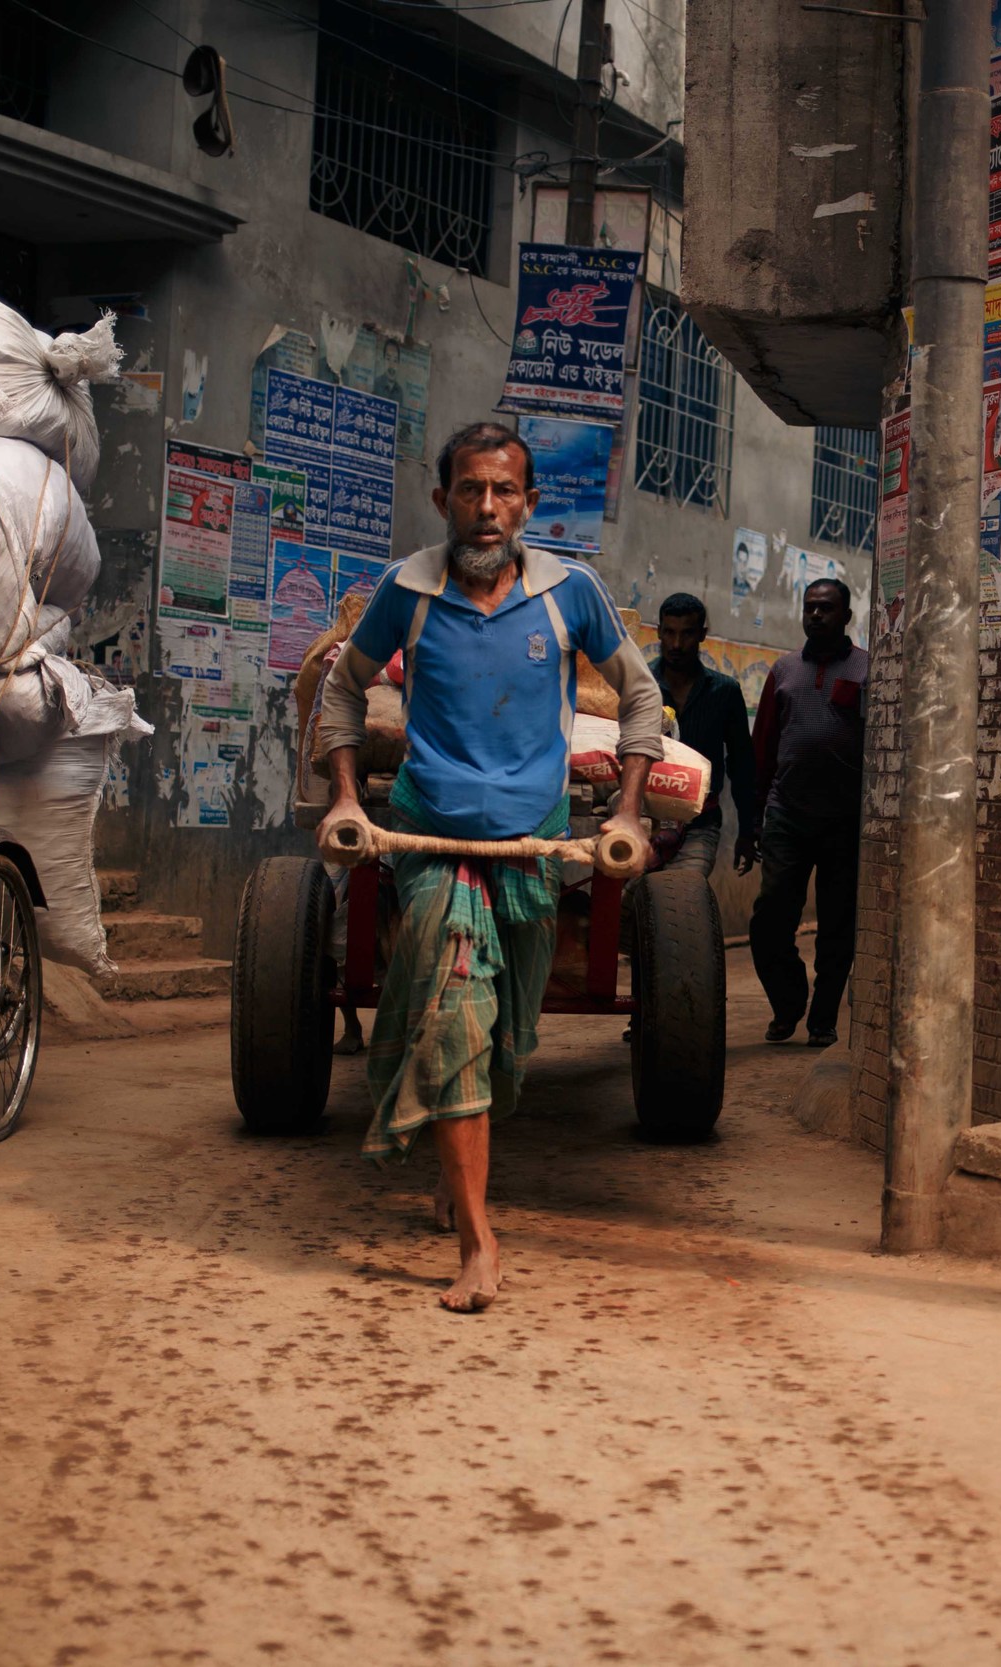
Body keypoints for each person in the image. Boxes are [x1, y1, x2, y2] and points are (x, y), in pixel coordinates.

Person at [311, 422, 662, 1312]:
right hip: (430, 837)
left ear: (529, 503)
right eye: (471, 490)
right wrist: (348, 798)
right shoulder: (406, 590)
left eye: (505, 491)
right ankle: (478, 1240)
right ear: (444, 501)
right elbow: (343, 688)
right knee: (457, 1008)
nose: (488, 509)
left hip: (532, 840)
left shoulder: (569, 593)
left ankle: (456, 1157)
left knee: (508, 1036)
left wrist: (626, 809)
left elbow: (642, 693)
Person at [747, 578, 867, 1047]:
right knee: (770, 919)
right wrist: (755, 816)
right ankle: (788, 1001)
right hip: (787, 816)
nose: (816, 615)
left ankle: (822, 1019)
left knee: (838, 927)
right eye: (810, 608)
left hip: (844, 821)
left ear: (846, 617)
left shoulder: (866, 670)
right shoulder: (784, 671)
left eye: (826, 608)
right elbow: (764, 746)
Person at [648, 594, 758, 876]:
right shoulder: (641, 687)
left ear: (702, 635)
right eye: (669, 632)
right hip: (644, 821)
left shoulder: (725, 692)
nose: (676, 644)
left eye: (687, 634)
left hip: (700, 824)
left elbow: (741, 766)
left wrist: (747, 831)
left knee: (686, 895)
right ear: (658, 631)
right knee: (632, 904)